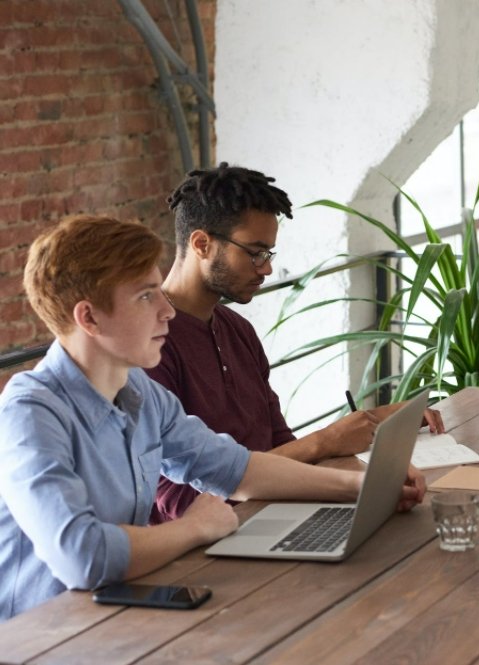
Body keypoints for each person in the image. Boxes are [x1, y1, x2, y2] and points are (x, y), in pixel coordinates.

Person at [0, 215, 426, 621]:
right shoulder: (29, 413)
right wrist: (196, 527)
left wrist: (364, 487)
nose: (167, 311)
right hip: (41, 638)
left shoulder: (141, 392)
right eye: (146, 296)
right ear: (89, 317)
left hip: (117, 613)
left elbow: (236, 469)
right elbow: (83, 558)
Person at [147, 163, 443, 523]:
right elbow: (179, 504)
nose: (266, 269)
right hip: (209, 542)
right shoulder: (150, 346)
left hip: (276, 514)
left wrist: (371, 457)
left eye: (268, 254)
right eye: (255, 253)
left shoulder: (238, 330)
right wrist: (326, 442)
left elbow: (280, 445)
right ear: (201, 244)